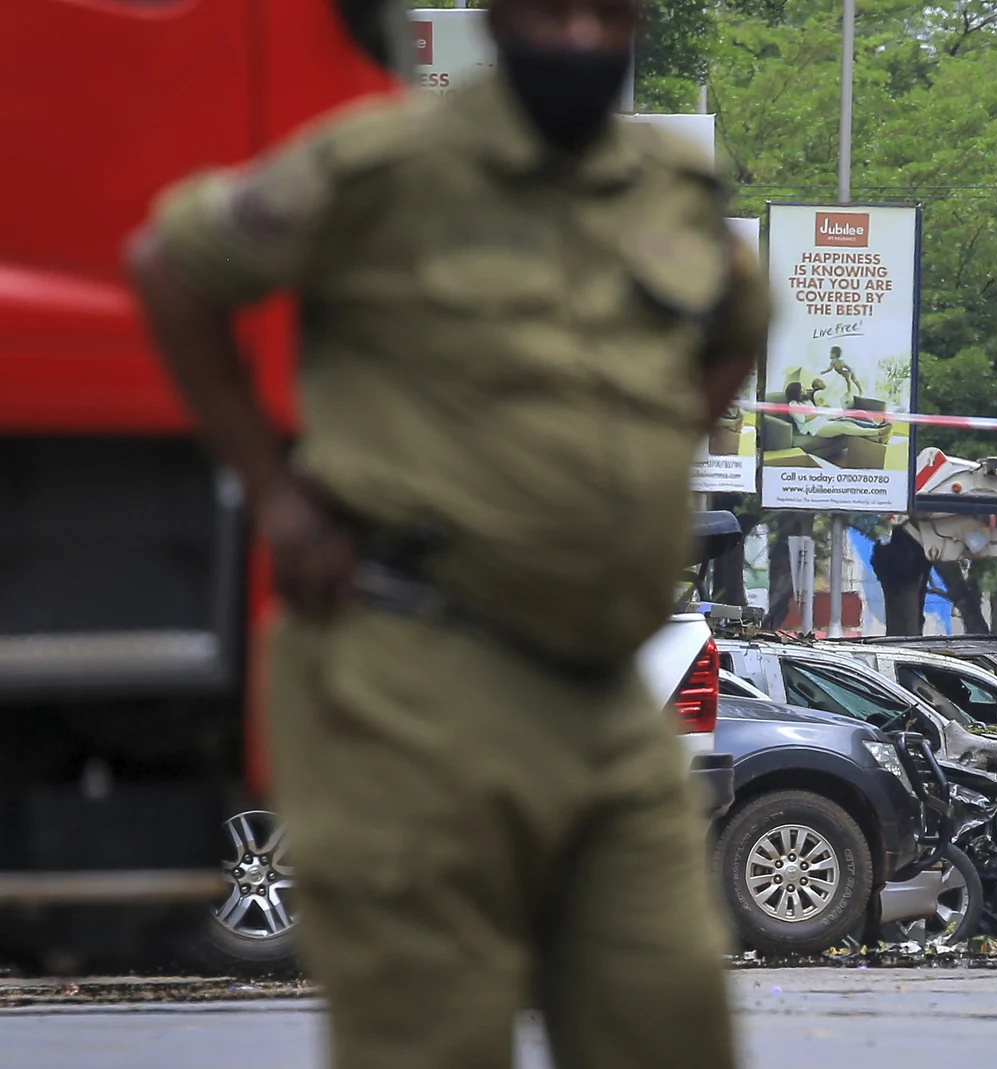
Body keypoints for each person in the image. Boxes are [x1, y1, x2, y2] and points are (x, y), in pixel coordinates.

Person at [124, 0, 768, 1065]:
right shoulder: (383, 168)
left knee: (670, 1017)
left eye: (604, 16)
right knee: (431, 1038)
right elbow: (171, 265)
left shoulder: (671, 186)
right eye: (547, 14)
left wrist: (635, 460)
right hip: (414, 675)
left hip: (608, 691)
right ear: (498, 22)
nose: (576, 41)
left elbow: (736, 328)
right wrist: (274, 488)